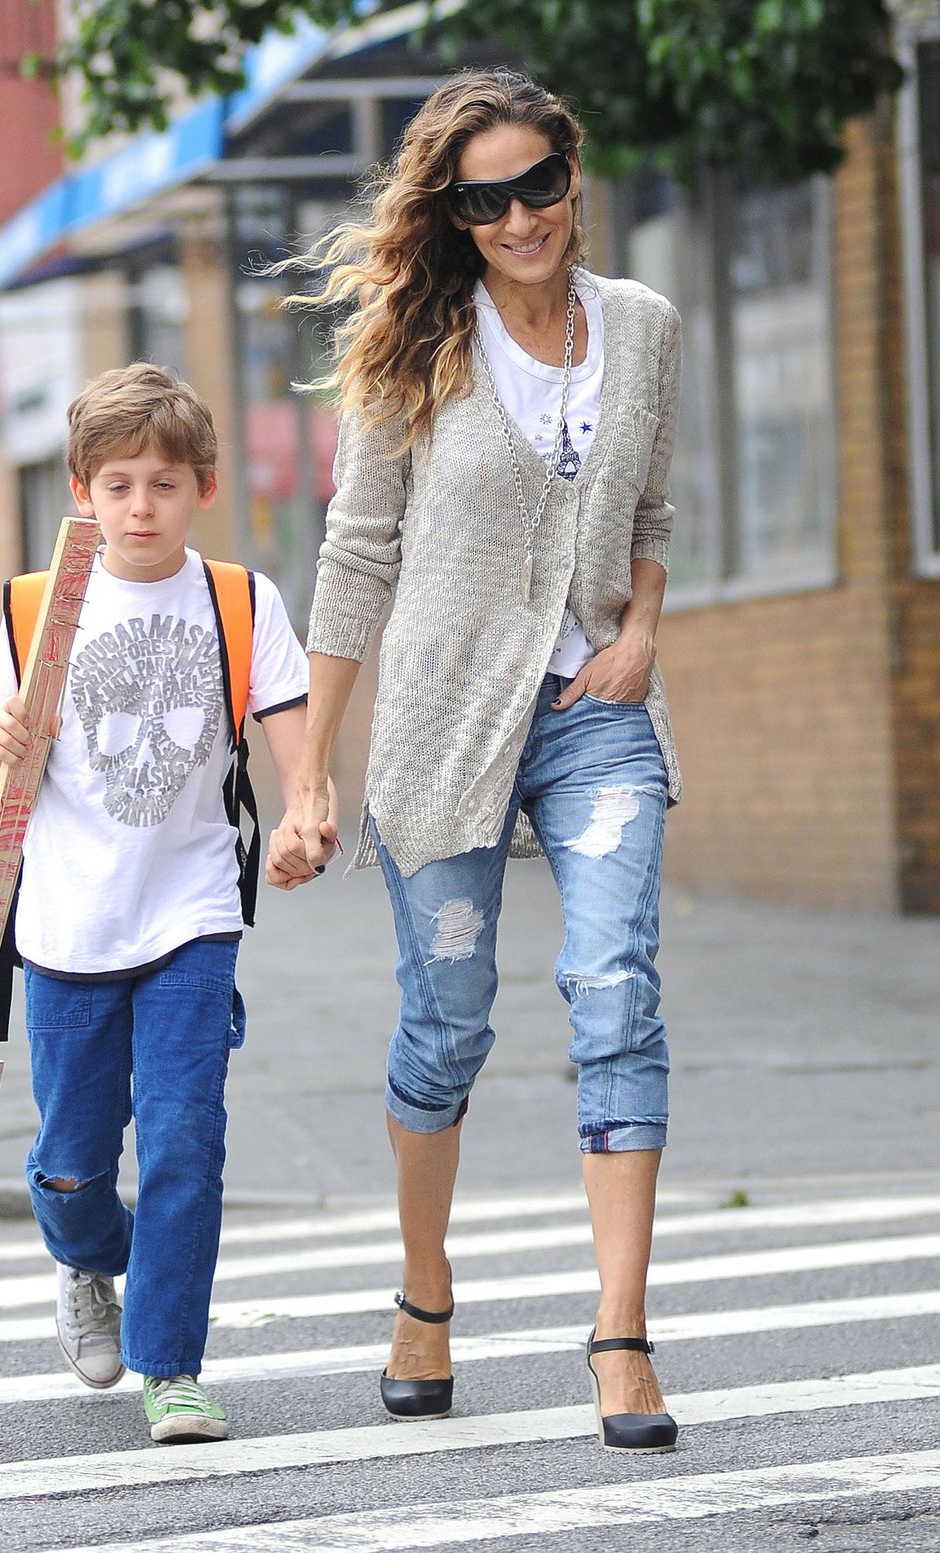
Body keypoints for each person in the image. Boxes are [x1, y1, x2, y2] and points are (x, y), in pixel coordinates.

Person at [269, 69, 683, 1453]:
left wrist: (641, 631)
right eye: (485, 198)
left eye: (538, 185)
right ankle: (424, 1291)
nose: (519, 218)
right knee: (446, 1022)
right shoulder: (410, 348)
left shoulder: (642, 325)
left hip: (593, 713)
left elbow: (655, 504)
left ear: (575, 172)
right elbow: (357, 554)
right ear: (453, 210)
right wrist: (311, 772)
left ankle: (620, 1332)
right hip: (446, 726)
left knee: (616, 985)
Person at [0, 363, 332, 1444]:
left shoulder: (239, 599)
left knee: (185, 1138)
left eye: (163, 484)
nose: (140, 506)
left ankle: (169, 1361)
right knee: (72, 1158)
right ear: (80, 489)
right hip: (67, 926)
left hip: (191, 914)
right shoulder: (39, 606)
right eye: (118, 483)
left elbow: (288, 735)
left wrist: (307, 813)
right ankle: (86, 1258)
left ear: (203, 487)